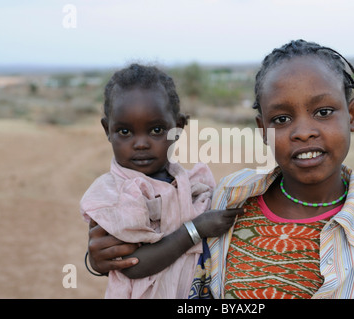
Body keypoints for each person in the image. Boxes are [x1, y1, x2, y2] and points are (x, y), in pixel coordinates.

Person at [87, 40, 354, 299]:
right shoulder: (229, 198)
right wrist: (102, 259)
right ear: (263, 129)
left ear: (352, 114)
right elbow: (161, 244)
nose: (303, 131)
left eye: (323, 112)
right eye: (281, 119)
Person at [80, 63, 243, 298]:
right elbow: (132, 264)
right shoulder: (115, 193)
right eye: (125, 132)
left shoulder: (192, 183)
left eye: (156, 130)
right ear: (107, 130)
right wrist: (194, 231)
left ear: (178, 127)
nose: (141, 143)